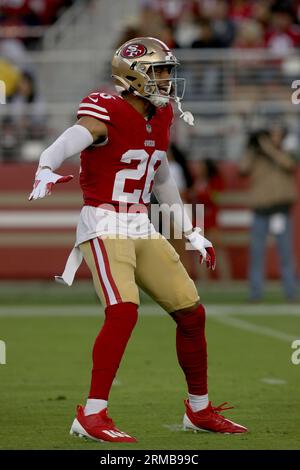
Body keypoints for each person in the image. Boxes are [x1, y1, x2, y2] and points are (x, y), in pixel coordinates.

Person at [29, 37, 247, 443]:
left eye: (167, 70)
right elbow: (68, 140)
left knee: (191, 313)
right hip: (104, 222)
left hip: (141, 223)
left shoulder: (160, 116)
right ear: (133, 74)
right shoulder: (105, 108)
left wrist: (190, 231)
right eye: (159, 70)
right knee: (123, 311)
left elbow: (160, 176)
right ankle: (91, 414)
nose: (166, 79)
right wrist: (45, 165)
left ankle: (198, 410)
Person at [239, 125, 298, 302]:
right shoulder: (256, 155)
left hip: (281, 210)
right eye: (270, 135)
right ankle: (255, 293)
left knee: (285, 253)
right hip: (261, 210)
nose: (273, 138)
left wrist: (268, 148)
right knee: (256, 253)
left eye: (276, 135)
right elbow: (242, 169)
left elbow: (289, 165)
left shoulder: (288, 151)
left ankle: (290, 292)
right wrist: (251, 147)